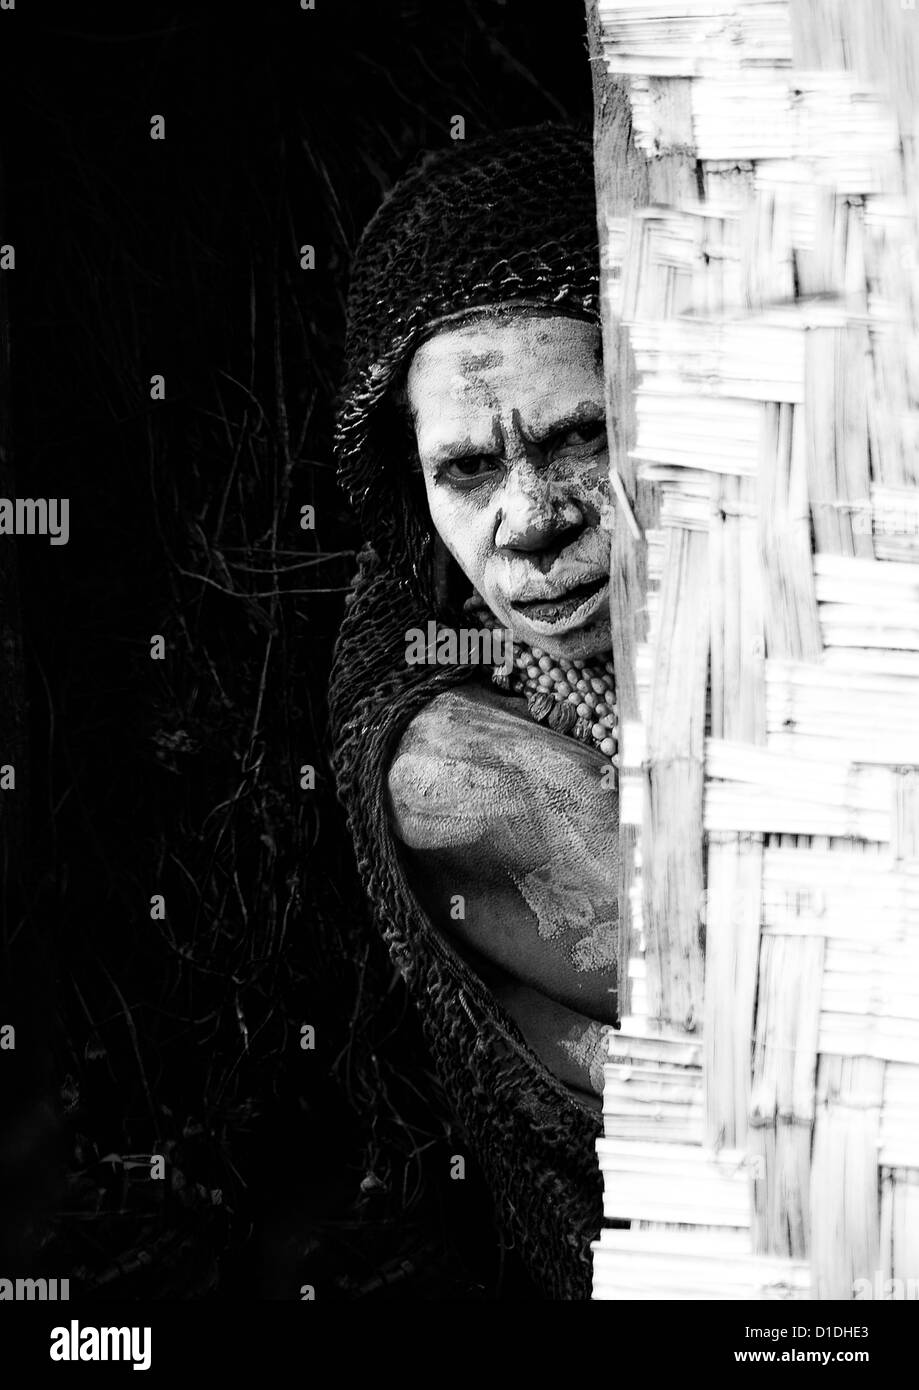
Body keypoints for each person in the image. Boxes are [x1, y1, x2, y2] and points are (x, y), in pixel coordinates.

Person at [330, 124, 622, 1300]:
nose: (532, 515)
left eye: (579, 437)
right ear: (416, 495)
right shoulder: (449, 760)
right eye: (464, 470)